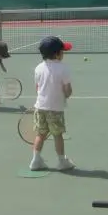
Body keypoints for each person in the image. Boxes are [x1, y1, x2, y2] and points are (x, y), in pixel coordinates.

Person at [29, 36, 76, 171]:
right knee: (57, 134)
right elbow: (67, 90)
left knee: (40, 134)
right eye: (62, 51)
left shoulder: (38, 68)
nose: (63, 53)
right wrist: (66, 95)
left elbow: (37, 88)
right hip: (55, 108)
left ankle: (35, 160)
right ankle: (62, 161)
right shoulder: (64, 68)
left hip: (40, 107)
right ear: (56, 54)